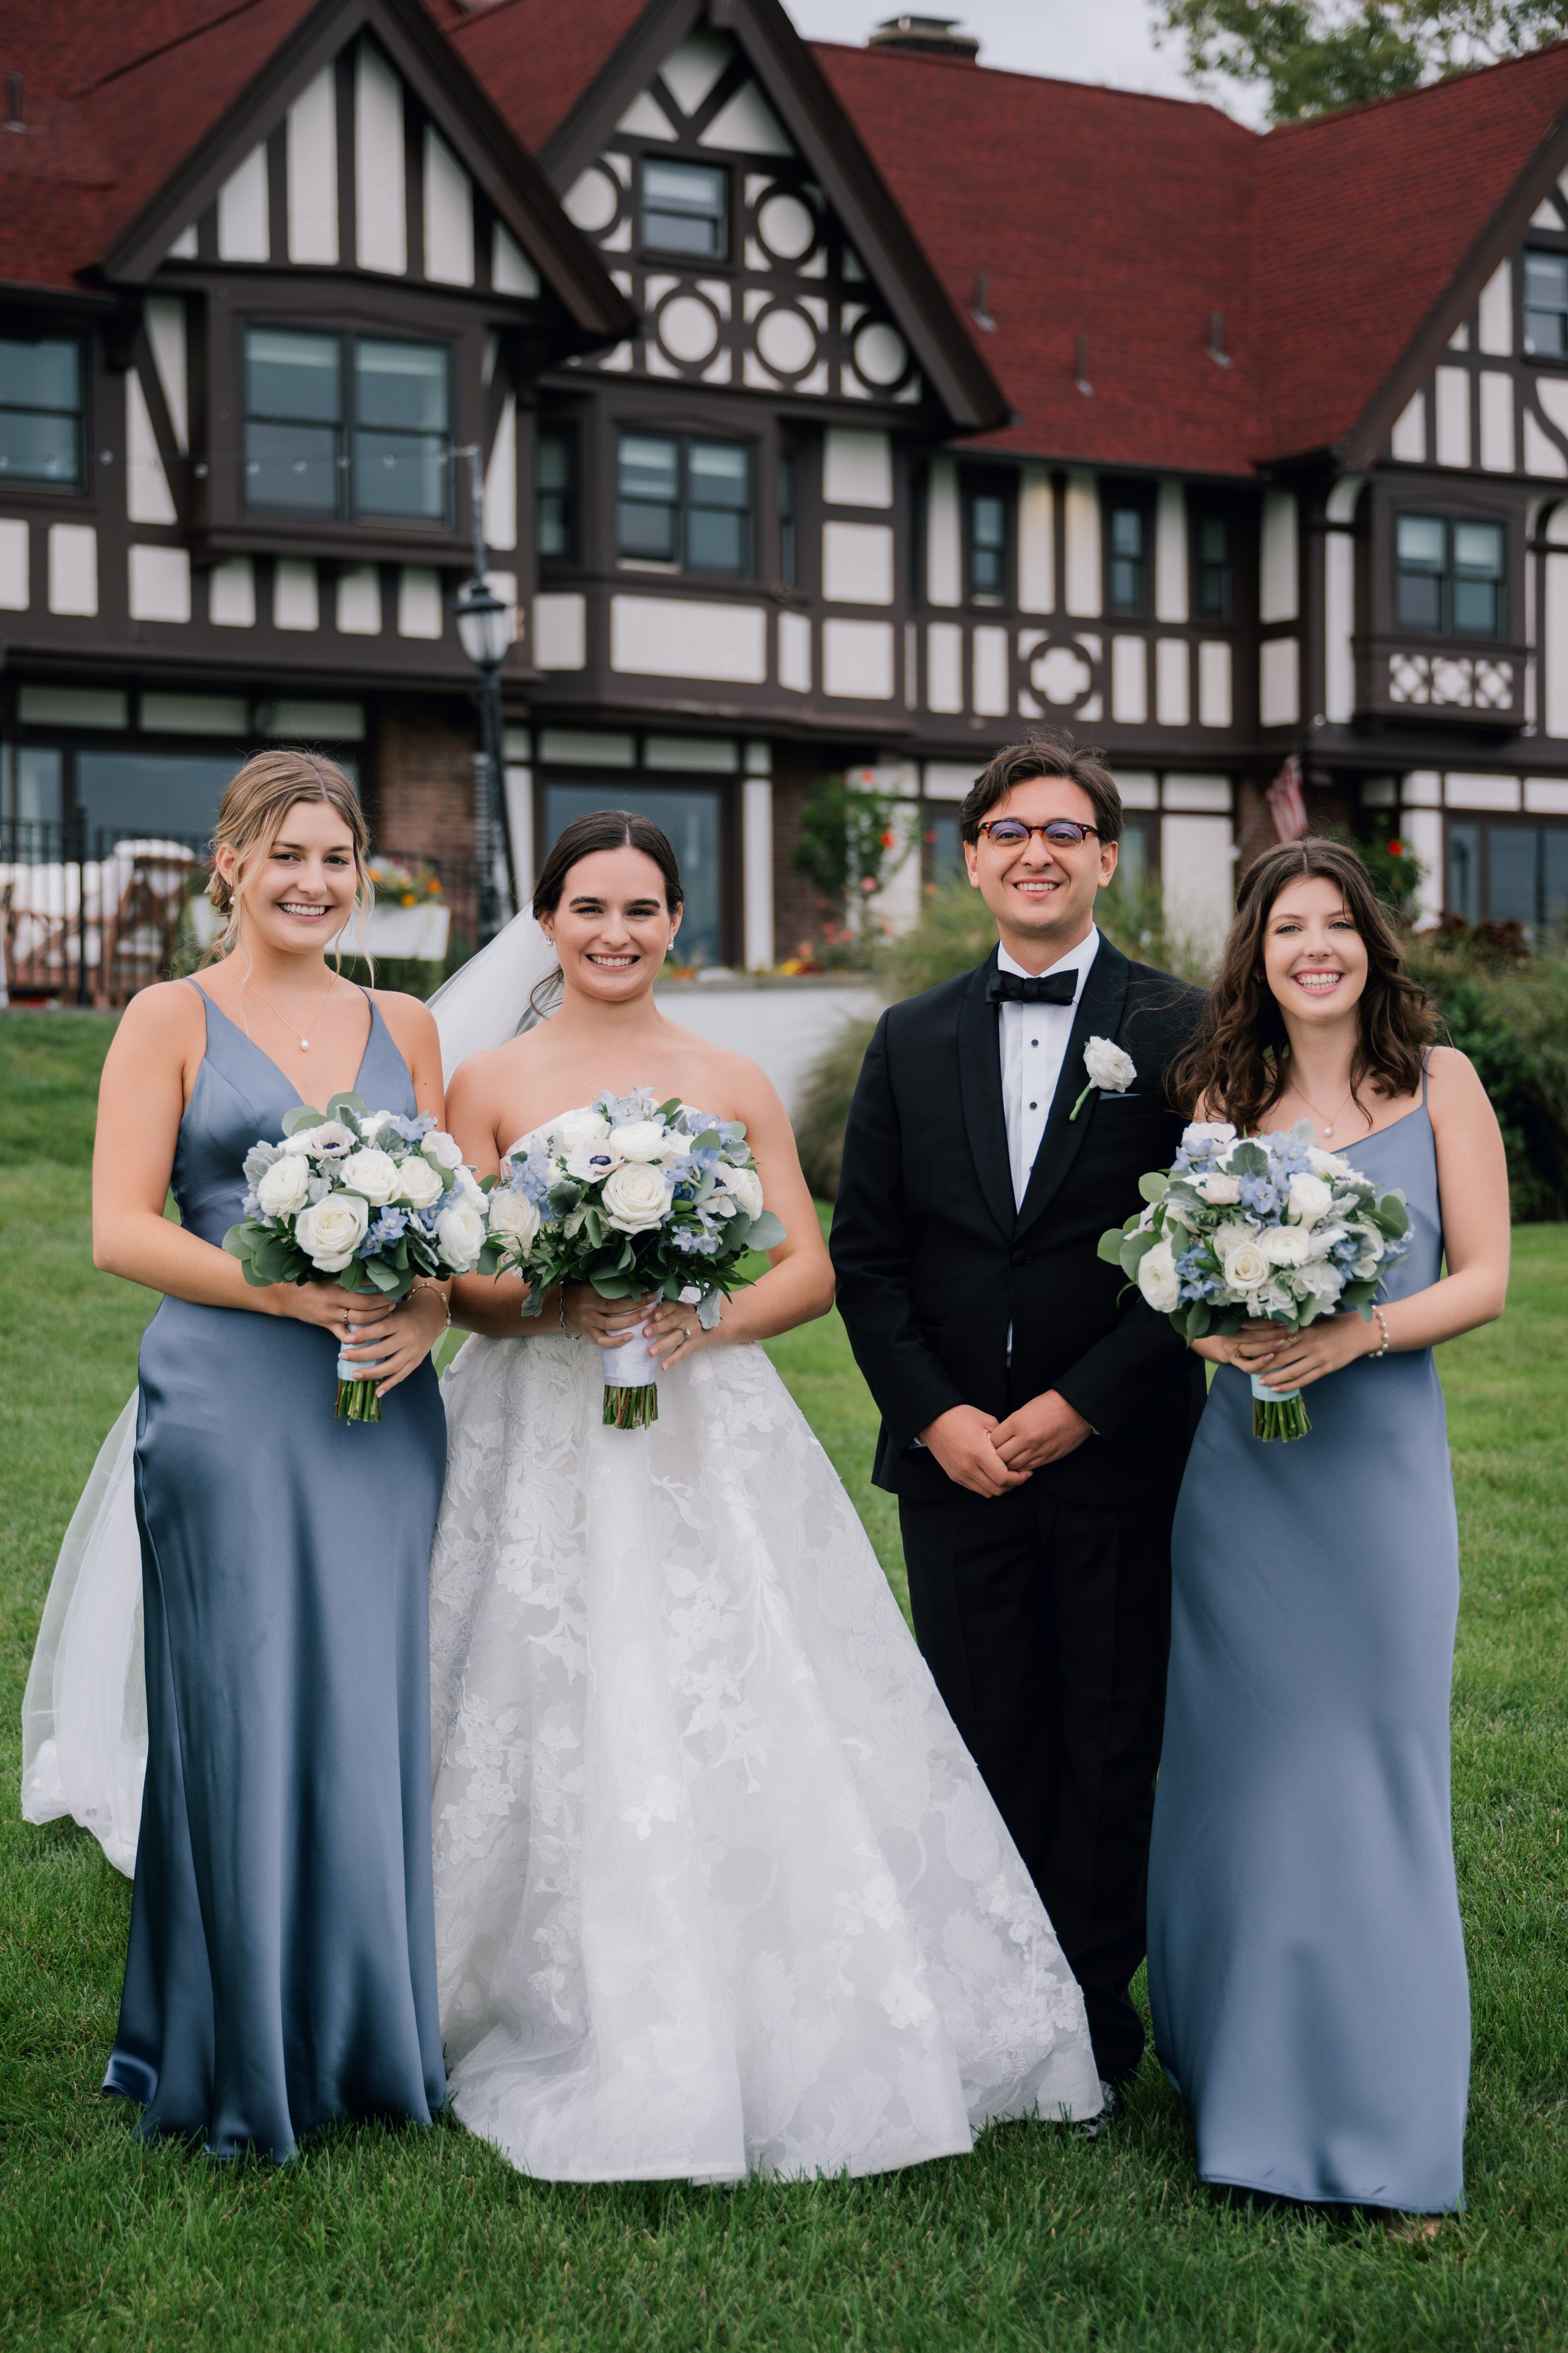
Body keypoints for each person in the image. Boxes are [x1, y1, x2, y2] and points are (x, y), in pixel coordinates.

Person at [424, 808, 1103, 2183]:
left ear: (678, 924)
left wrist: (700, 1317)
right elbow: (466, 1294)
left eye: (642, 909)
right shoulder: (488, 1080)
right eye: (588, 907)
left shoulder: (727, 1076)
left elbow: (807, 1265)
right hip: (541, 1430)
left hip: (702, 1424)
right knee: (537, 1690)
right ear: (546, 923)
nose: (615, 932)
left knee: (735, 1686)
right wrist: (564, 1292)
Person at [79, 748, 450, 2160]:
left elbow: (451, 1211)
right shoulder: (170, 1014)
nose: (310, 881)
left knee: (365, 1711)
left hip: (381, 1409)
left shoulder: (406, 1023)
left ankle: (366, 2040)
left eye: (336, 858)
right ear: (228, 862)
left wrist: (419, 1307)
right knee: (237, 1709)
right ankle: (232, 2054)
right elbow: (122, 1226)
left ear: (363, 877)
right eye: (283, 853)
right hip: (231, 1399)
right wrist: (283, 1286)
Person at [831, 735, 1207, 2102]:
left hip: (1114, 1452)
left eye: (1063, 831)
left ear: (1105, 857)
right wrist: (934, 1415)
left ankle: (1093, 2031)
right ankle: (989, 2016)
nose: (1033, 853)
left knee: (1109, 1741)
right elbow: (865, 1257)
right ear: (972, 857)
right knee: (980, 1736)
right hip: (952, 1465)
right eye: (1005, 831)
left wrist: (1075, 1406)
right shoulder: (911, 1035)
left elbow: (1202, 1252)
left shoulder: (1181, 1028)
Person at [1145, 837, 1509, 2224]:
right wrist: (1227, 1320)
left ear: (1370, 944)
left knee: (1372, 1776)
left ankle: (1389, 2113)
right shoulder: (1215, 1095)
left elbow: (1480, 1280)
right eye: (1286, 925)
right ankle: (1244, 2088)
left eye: (1335, 924)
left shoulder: (1441, 1083)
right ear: (1258, 951)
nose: (1313, 947)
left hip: (1372, 1486)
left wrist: (1349, 1330)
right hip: (1242, 1480)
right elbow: (1178, 1291)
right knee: (1243, 1782)